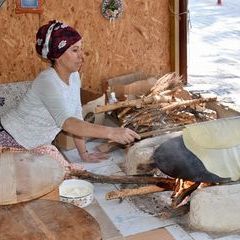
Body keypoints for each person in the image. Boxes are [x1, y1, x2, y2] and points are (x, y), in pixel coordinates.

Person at [0, 20, 140, 167]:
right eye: (74, 50)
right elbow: (67, 123)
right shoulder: (47, 81)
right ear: (57, 56)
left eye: (81, 49)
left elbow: (75, 116)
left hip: (36, 146)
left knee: (68, 174)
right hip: (11, 139)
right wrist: (112, 132)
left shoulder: (74, 76)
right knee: (31, 185)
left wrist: (84, 154)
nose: (82, 56)